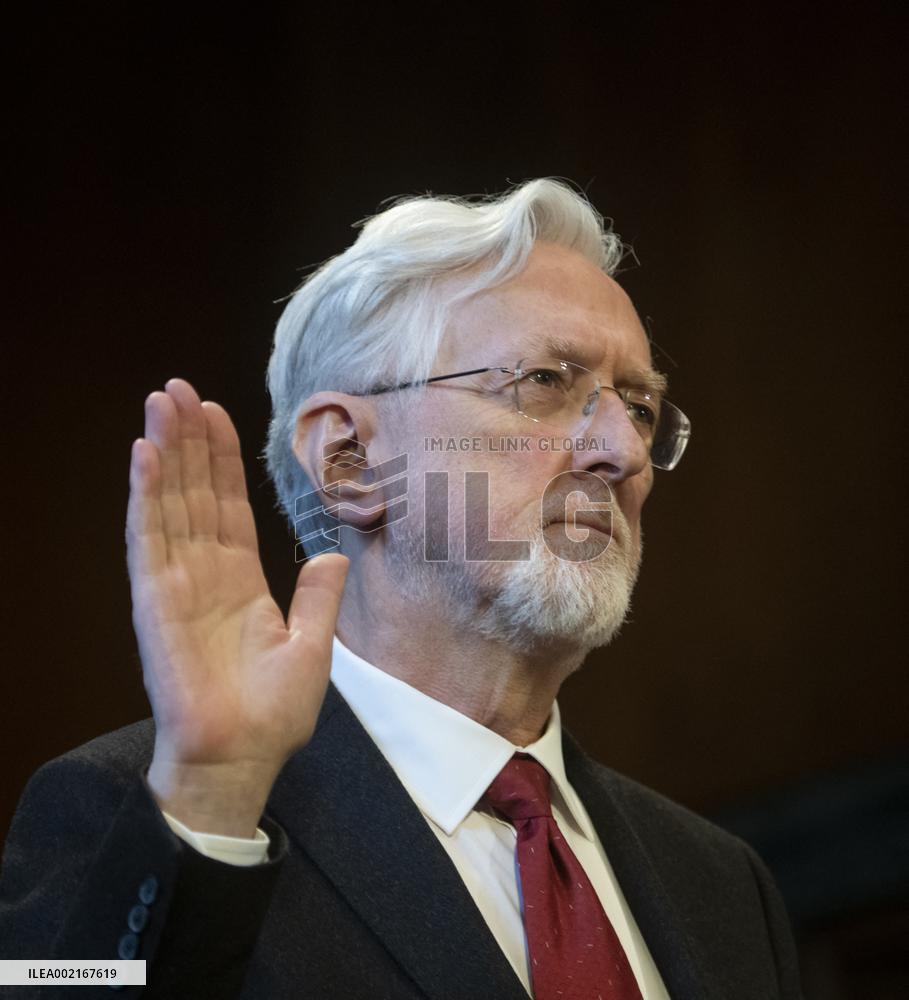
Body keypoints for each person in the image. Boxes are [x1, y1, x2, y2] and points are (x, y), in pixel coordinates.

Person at [0, 180, 802, 999]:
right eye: (545, 382)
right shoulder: (137, 809)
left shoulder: (721, 886)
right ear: (351, 460)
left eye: (638, 407)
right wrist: (210, 797)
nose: (621, 453)